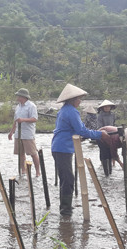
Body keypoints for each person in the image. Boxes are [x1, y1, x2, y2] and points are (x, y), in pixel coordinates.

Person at [51, 84, 109, 216]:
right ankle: (65, 211)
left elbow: (74, 130)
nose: (80, 101)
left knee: (65, 178)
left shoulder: (64, 110)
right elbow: (81, 130)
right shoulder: (71, 111)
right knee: (68, 179)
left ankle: (65, 208)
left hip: (60, 147)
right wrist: (100, 134)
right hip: (63, 148)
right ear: (73, 100)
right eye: (79, 99)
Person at [8, 88, 40, 177]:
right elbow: (15, 120)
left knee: (33, 153)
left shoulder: (31, 106)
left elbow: (34, 119)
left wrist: (23, 120)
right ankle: (23, 170)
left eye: (19, 96)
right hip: (18, 133)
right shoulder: (18, 107)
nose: (17, 98)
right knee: (20, 153)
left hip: (28, 134)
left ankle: (38, 171)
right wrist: (11, 132)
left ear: (23, 97)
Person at [96, 100, 116, 175]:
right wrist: (104, 132)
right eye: (105, 107)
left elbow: (114, 123)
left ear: (110, 107)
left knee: (110, 151)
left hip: (111, 133)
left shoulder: (113, 115)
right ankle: (105, 170)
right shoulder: (100, 116)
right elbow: (99, 126)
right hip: (102, 133)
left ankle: (110, 169)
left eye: (108, 107)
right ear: (102, 108)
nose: (107, 108)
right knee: (103, 151)